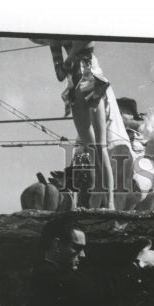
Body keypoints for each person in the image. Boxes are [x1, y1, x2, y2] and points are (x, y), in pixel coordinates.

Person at [40, 39, 115, 208]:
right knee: (92, 149)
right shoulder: (55, 42)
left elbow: (88, 42)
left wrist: (72, 53)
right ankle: (100, 200)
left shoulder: (80, 31)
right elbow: (60, 75)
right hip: (76, 89)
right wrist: (72, 54)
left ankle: (110, 203)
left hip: (92, 83)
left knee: (100, 147)